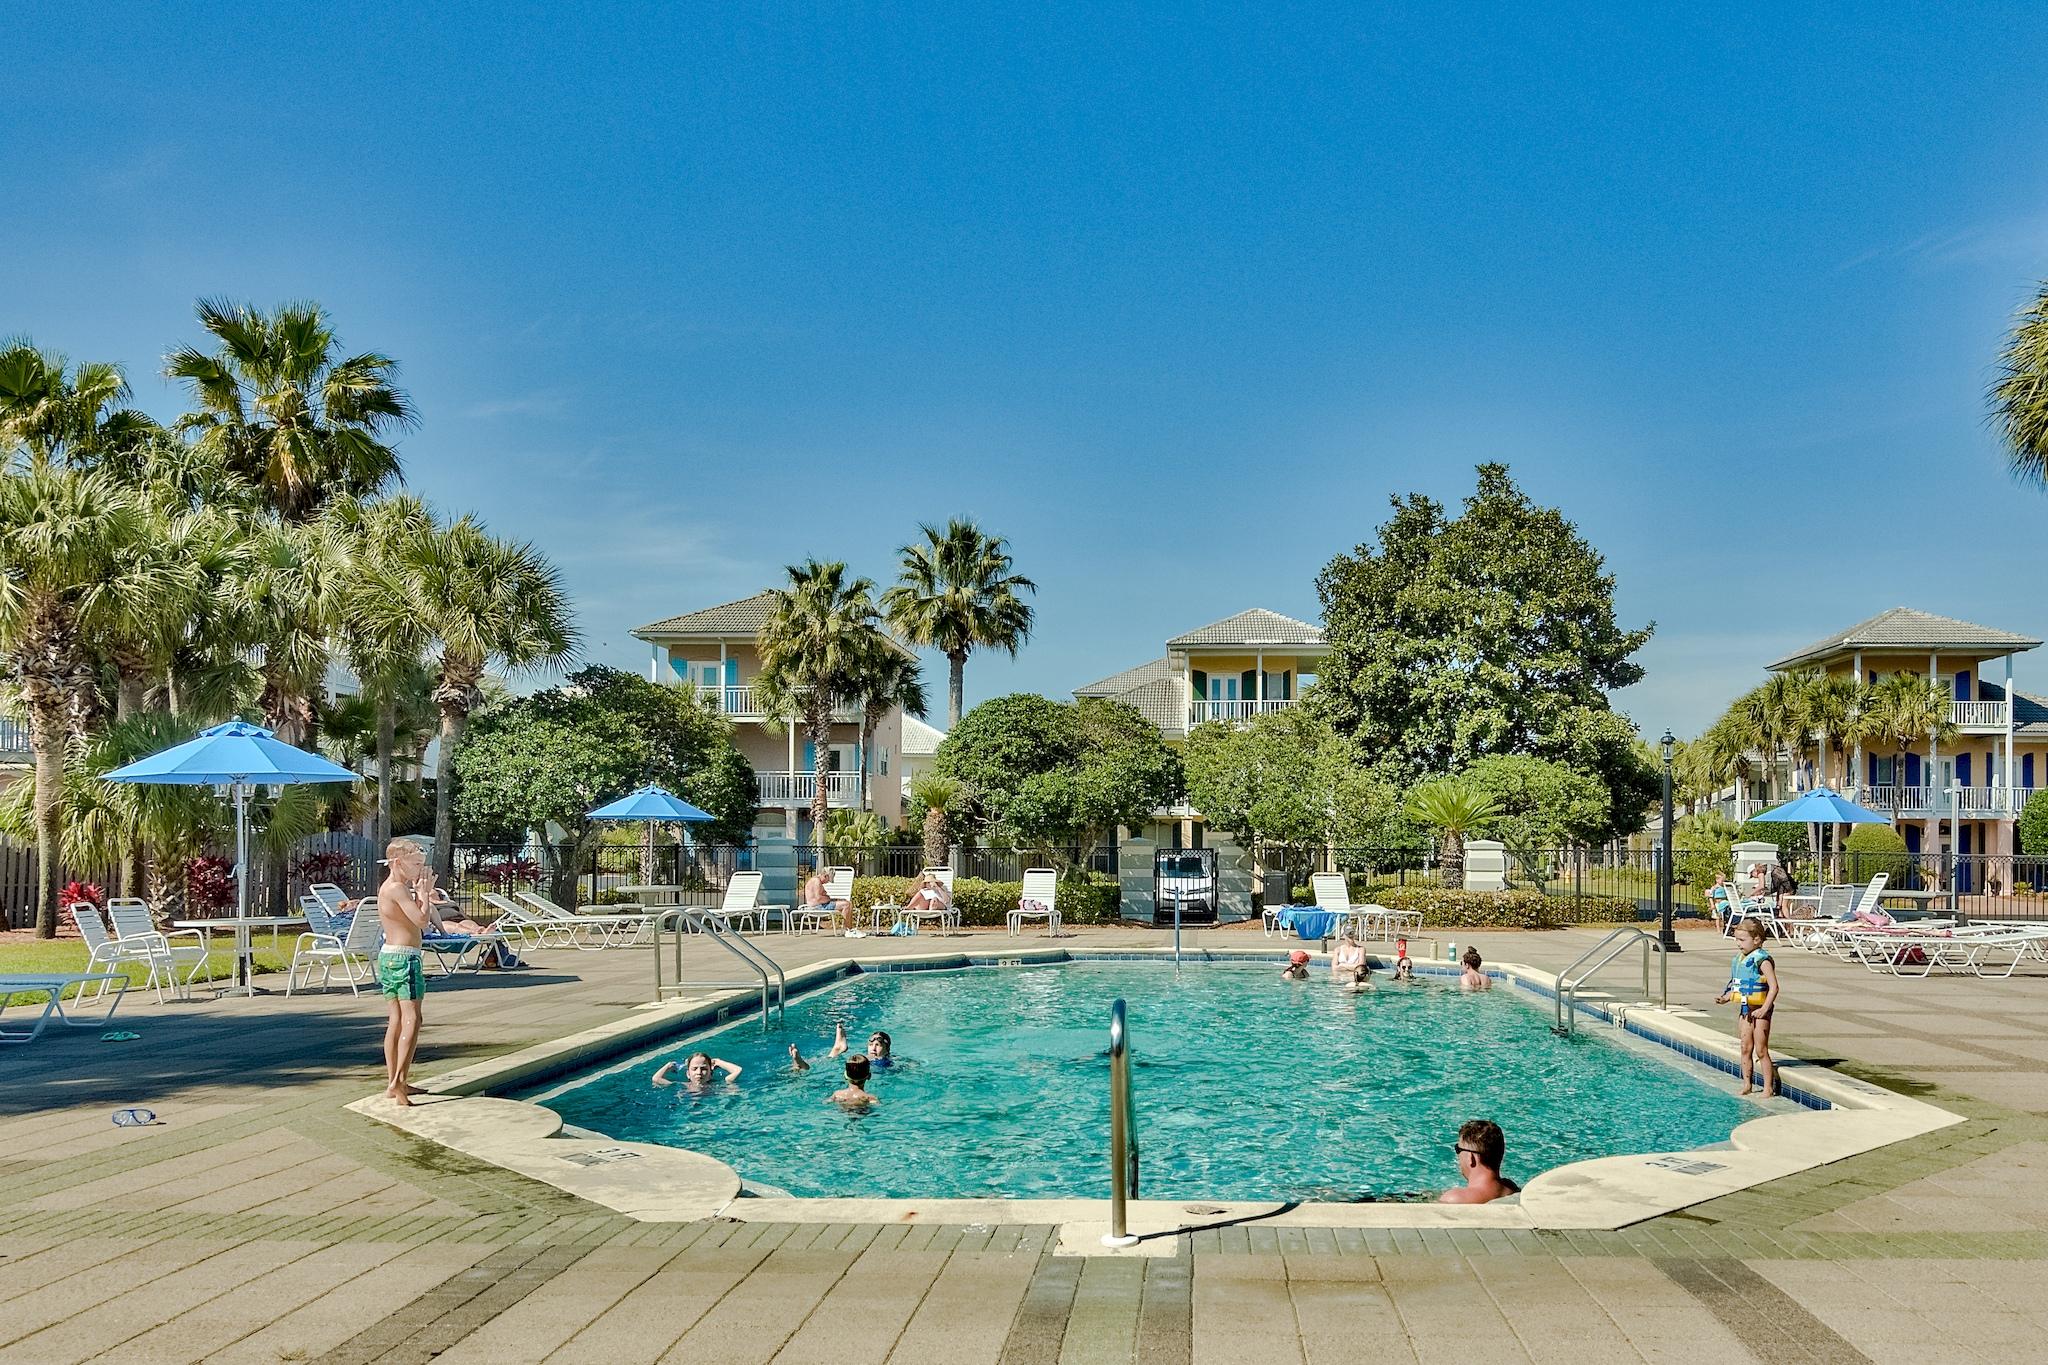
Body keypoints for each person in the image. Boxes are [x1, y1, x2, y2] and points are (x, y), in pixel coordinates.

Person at [375, 839, 436, 1106]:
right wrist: (424, 894)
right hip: (404, 959)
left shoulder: (388, 887)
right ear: (398, 862)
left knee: (397, 1020)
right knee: (413, 1019)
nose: (419, 871)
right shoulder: (398, 888)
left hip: (389, 956)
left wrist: (420, 893)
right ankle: (398, 1081)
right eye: (416, 865)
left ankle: (395, 1082)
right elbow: (421, 921)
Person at [1716, 916, 1780, 1096]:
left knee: (1761, 1049)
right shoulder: (1740, 958)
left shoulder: (1763, 960)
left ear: (1757, 939)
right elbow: (1737, 986)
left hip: (1761, 1011)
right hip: (1745, 1009)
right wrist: (1726, 998)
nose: (1738, 944)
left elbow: (1774, 987)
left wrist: (1764, 1009)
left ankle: (1768, 1087)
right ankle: (1747, 1083)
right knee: (1745, 1047)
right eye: (1736, 939)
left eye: (1742, 940)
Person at [1438, 1119, 1520, 1204]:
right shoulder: (1511, 1189)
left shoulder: (1454, 1199)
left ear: (1471, 1157)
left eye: (1458, 1149)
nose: (1458, 1155)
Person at [653, 1051, 742, 1090]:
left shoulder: (717, 1087)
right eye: (694, 1069)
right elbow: (656, 1079)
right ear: (688, 1074)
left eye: (703, 1069)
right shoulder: (683, 1086)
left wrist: (718, 1062)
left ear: (710, 1074)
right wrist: (668, 1066)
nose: (699, 1072)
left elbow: (738, 1070)